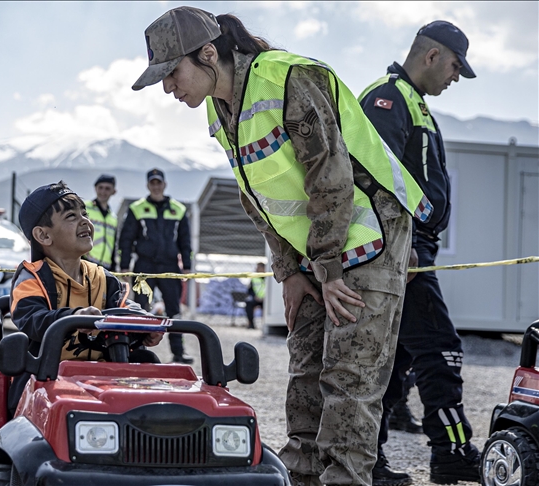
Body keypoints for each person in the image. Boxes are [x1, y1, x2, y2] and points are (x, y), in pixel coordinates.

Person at [132, 7, 431, 485]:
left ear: (209, 54)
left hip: (372, 231)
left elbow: (330, 178)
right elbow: (258, 196)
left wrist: (329, 271)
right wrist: (289, 271)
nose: (169, 87)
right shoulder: (219, 105)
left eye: (172, 73)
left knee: (349, 382)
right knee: (307, 376)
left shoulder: (289, 78)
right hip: (318, 247)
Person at [359, 20, 480, 485]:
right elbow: (373, 178)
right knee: (440, 350)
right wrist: (401, 244)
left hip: (414, 251)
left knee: (396, 364)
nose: (454, 77)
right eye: (454, 67)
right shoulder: (387, 98)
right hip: (400, 253)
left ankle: (369, 457)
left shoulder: (417, 105)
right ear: (432, 56)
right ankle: (451, 452)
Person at [8, 181, 163, 417]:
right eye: (71, 216)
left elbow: (124, 306)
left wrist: (144, 324)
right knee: (23, 389)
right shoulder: (32, 277)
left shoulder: (102, 277)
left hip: (102, 374)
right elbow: (32, 319)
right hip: (46, 374)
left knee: (148, 361)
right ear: (43, 235)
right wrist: (73, 317)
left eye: (85, 213)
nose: (85, 221)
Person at [118, 168, 193, 364]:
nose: (156, 186)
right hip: (144, 265)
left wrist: (187, 265)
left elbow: (185, 240)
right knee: (141, 308)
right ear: (148, 185)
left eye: (159, 182)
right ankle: (138, 348)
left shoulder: (178, 209)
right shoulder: (137, 208)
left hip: (170, 266)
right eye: (152, 183)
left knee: (174, 309)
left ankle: (178, 352)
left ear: (164, 184)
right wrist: (125, 266)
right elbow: (126, 239)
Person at [83, 174, 118, 270]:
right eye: (100, 187)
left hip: (106, 267)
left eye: (107, 188)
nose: (103, 191)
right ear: (95, 188)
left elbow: (113, 245)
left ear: (113, 192)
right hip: (86, 263)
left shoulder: (113, 217)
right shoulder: (84, 208)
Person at [245, 262, 266, 329]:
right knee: (248, 304)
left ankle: (265, 325)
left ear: (263, 268)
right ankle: (251, 324)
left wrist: (265, 298)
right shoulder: (254, 278)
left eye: (258, 268)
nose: (256, 269)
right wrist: (254, 296)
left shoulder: (269, 277)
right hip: (256, 298)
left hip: (266, 300)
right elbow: (249, 290)